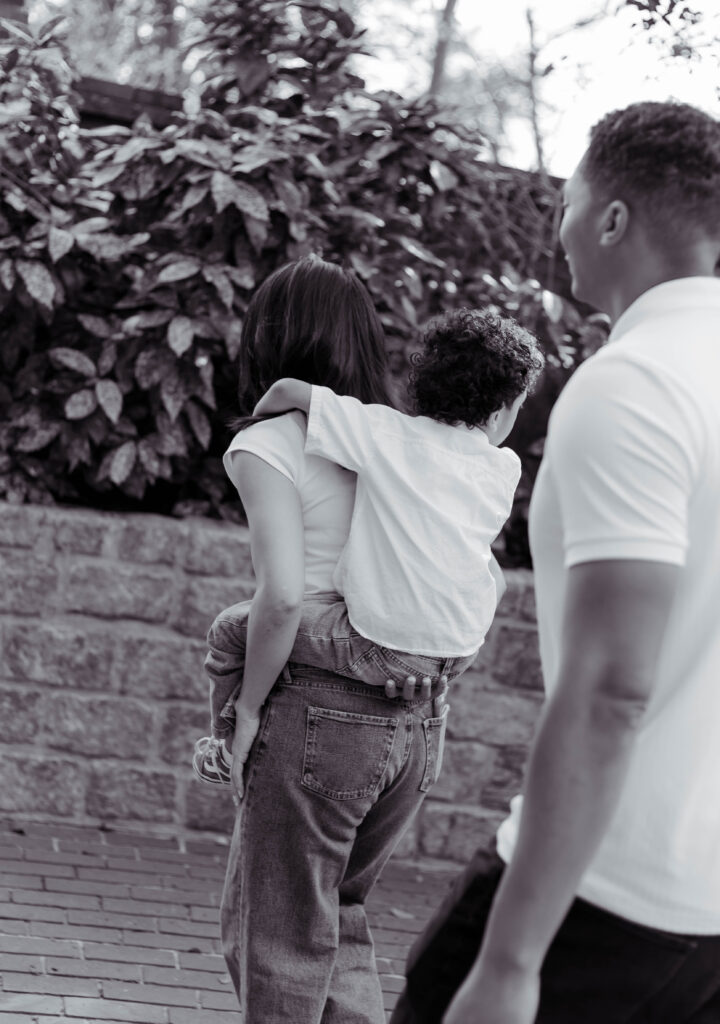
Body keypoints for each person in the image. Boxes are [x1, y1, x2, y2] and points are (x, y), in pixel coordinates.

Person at [390, 100, 720, 1024]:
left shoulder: (637, 381)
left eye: (568, 199)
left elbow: (615, 688)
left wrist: (511, 961)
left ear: (613, 218)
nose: (559, 224)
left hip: (607, 892)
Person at [209, 254, 543, 1024]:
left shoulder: (284, 443)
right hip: (419, 717)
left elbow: (284, 595)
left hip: (321, 712)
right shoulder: (425, 449)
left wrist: (248, 708)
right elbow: (469, 571)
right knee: (340, 917)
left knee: (277, 936)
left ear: (268, 335)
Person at [193, 304, 544, 791]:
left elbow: (288, 391)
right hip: (456, 653)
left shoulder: (385, 433)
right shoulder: (503, 468)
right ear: (502, 409)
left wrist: (264, 415)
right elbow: (490, 574)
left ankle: (229, 743)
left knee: (233, 628)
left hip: (376, 645)